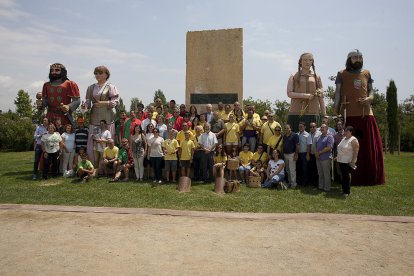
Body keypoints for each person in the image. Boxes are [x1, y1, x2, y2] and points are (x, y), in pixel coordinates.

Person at [333, 49, 385, 186]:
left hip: (366, 114)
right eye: (355, 57)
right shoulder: (342, 74)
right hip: (348, 114)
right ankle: (351, 177)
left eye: (360, 57)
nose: (358, 59)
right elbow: (337, 94)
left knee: (367, 147)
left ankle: (370, 176)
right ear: (349, 59)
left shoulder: (366, 73)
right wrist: (336, 110)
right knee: (349, 147)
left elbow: (371, 91)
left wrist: (369, 98)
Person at [84, 66, 119, 159]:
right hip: (95, 120)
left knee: (107, 140)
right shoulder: (90, 87)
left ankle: (108, 165)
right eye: (96, 73)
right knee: (95, 139)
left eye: (100, 73)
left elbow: (115, 101)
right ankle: (94, 165)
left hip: (107, 118)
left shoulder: (111, 86)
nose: (97, 75)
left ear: (106, 75)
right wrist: (85, 107)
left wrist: (104, 103)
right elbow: (88, 102)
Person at [287, 53, 326, 132]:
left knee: (313, 140)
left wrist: (324, 114)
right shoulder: (294, 75)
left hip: (313, 113)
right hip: (295, 113)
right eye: (305, 60)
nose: (308, 62)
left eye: (310, 60)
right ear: (300, 61)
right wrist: (306, 96)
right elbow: (289, 93)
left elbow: (321, 96)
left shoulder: (316, 76)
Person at [36, 63, 80, 127]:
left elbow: (77, 101)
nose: (54, 72)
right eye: (52, 70)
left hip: (64, 116)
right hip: (49, 116)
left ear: (62, 72)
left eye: (57, 70)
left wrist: (68, 107)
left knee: (64, 135)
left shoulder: (70, 84)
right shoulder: (46, 85)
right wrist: (41, 104)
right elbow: (45, 102)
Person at [337, 126, 360, 197]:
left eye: (347, 131)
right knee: (343, 176)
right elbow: (340, 148)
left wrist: (353, 161)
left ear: (351, 132)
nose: (345, 132)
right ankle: (344, 189)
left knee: (346, 177)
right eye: (345, 131)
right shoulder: (344, 138)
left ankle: (347, 191)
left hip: (347, 161)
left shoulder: (353, 140)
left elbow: (356, 151)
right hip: (341, 161)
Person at [315, 124, 334, 192]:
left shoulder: (330, 137)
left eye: (323, 127)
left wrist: (319, 153)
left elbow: (329, 147)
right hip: (318, 158)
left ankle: (327, 188)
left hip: (326, 158)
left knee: (326, 174)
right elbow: (316, 145)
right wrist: (316, 153)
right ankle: (321, 186)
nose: (322, 129)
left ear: (327, 128)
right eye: (321, 127)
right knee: (320, 173)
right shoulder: (319, 137)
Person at [283, 124, 299, 188]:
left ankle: (294, 184)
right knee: (287, 169)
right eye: (285, 128)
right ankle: (290, 182)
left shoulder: (295, 135)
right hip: (285, 154)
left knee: (292, 169)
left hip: (292, 154)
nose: (286, 129)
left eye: (288, 128)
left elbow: (297, 146)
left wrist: (296, 154)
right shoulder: (284, 136)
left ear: (290, 128)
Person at [297, 122, 312, 186]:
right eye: (299, 126)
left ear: (305, 127)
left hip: (304, 153)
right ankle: (299, 181)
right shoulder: (296, 134)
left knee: (305, 168)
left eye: (302, 126)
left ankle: (305, 182)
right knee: (299, 168)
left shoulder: (308, 135)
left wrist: (308, 154)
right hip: (298, 154)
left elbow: (308, 145)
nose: (300, 128)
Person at [308, 122, 321, 186]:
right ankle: (312, 181)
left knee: (317, 169)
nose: (312, 128)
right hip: (311, 154)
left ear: (316, 127)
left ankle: (317, 182)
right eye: (311, 127)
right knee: (312, 168)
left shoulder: (319, 134)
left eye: (313, 127)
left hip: (317, 154)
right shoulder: (309, 134)